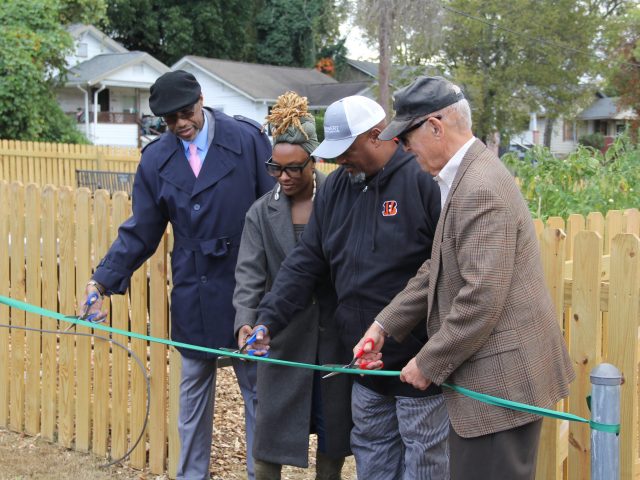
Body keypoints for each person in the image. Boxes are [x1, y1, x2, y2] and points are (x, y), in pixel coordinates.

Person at [354, 76, 575, 480]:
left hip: (500, 389)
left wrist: (427, 362)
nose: (401, 148)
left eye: (406, 137)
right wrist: (384, 324)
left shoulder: (479, 187)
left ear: (436, 126)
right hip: (492, 384)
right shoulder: (463, 176)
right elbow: (436, 267)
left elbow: (481, 299)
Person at [78, 70, 274, 480]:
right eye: (170, 120)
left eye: (186, 112)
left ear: (201, 100)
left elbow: (272, 212)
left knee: (259, 392)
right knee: (192, 394)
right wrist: (101, 281)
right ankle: (191, 476)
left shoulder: (248, 140)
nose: (181, 124)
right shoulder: (156, 159)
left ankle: (262, 475)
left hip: (249, 287)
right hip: (194, 287)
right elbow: (141, 230)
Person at [250, 95, 449, 479]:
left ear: (377, 136)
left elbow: (444, 268)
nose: (339, 160)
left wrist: (431, 356)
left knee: (423, 466)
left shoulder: (422, 180)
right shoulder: (338, 189)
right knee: (372, 462)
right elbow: (306, 262)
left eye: (347, 150)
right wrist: (268, 319)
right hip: (362, 364)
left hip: (417, 366)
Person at [233, 91, 351, 480]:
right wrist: (246, 322)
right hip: (281, 339)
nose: (283, 177)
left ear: (314, 161)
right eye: (275, 168)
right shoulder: (260, 214)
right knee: (270, 441)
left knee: (333, 439)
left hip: (333, 338)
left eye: (293, 169)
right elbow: (249, 276)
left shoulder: (339, 200)